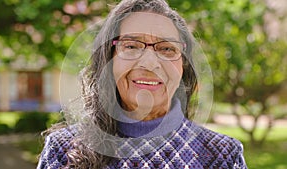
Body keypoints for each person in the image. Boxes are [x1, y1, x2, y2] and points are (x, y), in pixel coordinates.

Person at [37, 0, 247, 168]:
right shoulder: (63, 150)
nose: (149, 63)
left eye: (166, 48)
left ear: (183, 66)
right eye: (131, 46)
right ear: (108, 61)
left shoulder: (222, 156)